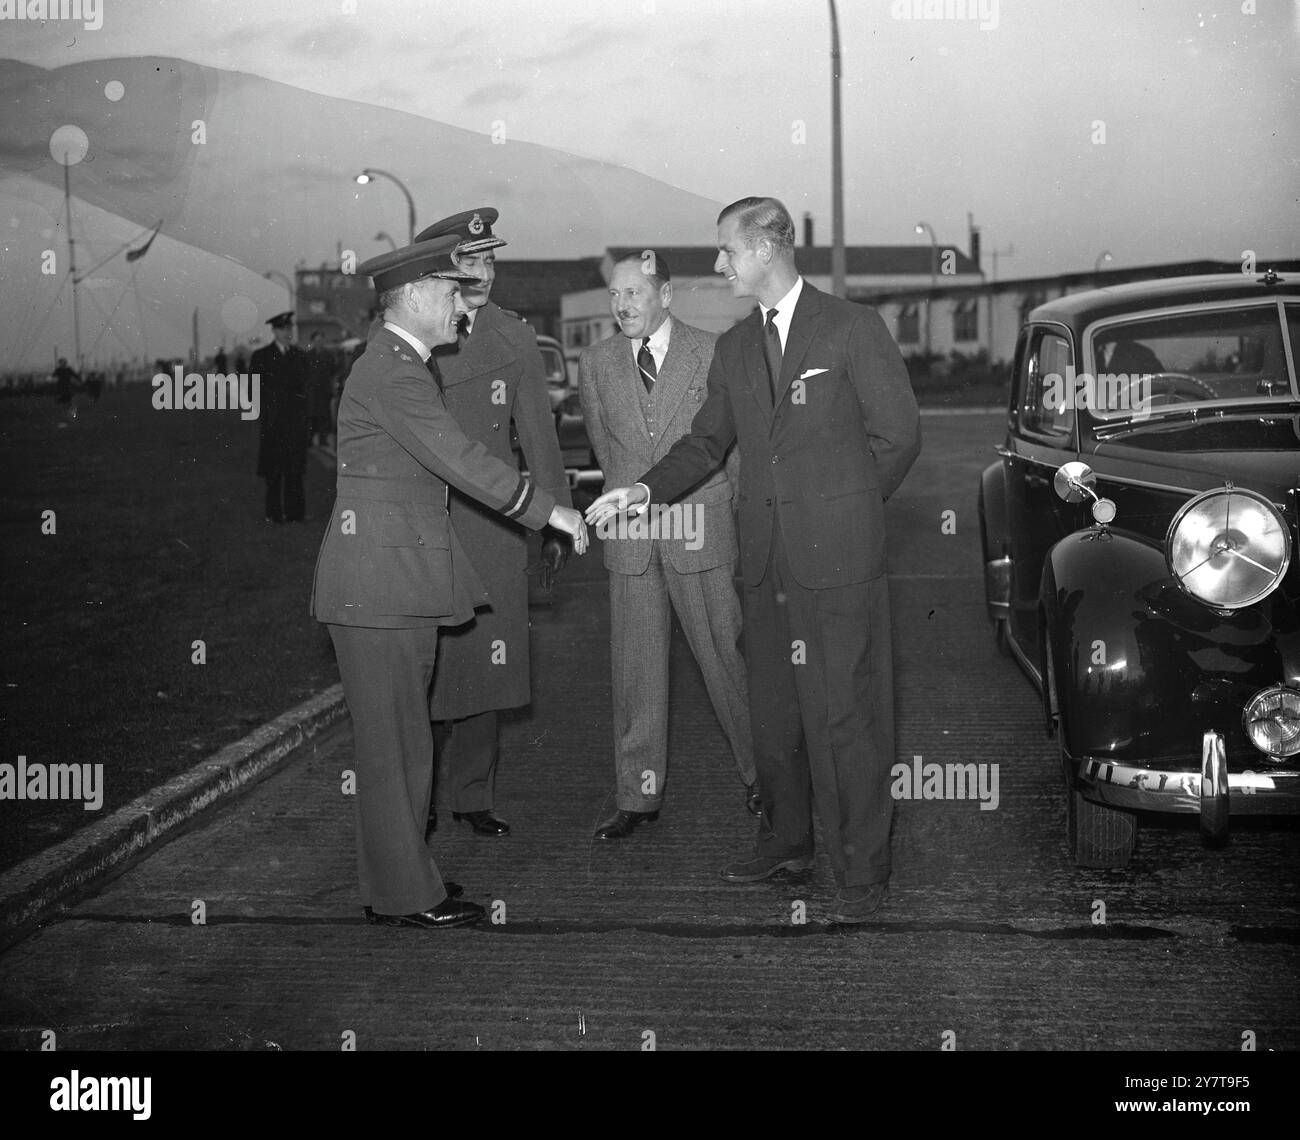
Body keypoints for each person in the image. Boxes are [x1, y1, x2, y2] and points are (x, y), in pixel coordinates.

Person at [587, 197, 920, 922]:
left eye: (727, 250)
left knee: (848, 719)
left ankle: (862, 870)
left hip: (838, 564)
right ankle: (787, 843)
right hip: (764, 567)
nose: (718, 264)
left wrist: (844, 514)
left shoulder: (853, 329)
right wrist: (640, 490)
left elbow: (898, 437)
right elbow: (708, 444)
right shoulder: (737, 347)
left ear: (767, 248)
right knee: (774, 720)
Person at [310, 233, 589, 930]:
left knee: (398, 747)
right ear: (413, 298)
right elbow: (460, 458)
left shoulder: (399, 364)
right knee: (397, 750)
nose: (463, 305)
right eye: (450, 293)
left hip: (391, 581)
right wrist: (548, 509)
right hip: (380, 586)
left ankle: (398, 885)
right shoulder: (396, 372)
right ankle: (408, 896)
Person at [579, 251, 757, 840]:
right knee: (635, 671)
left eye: (633, 293)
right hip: (632, 534)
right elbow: (607, 450)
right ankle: (638, 795)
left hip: (700, 524)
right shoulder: (597, 361)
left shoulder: (713, 351)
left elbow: (729, 451)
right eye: (614, 295)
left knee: (726, 659)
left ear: (665, 295)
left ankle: (765, 778)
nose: (622, 305)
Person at [414, 208, 572, 839]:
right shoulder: (419, 334)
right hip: (432, 518)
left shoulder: (514, 336)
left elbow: (539, 434)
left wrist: (554, 521)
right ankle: (416, 797)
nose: (480, 274)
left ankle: (472, 794)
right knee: (427, 664)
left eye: (488, 261)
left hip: (497, 522)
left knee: (487, 658)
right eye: (466, 263)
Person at [250, 312, 310, 522]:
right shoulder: (261, 357)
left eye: (290, 329)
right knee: (274, 472)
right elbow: (253, 391)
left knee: (294, 471)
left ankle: (295, 514)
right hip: (274, 424)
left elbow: (306, 390)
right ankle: (273, 514)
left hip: (295, 424)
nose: (288, 333)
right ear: (274, 331)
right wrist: (267, 414)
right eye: (283, 329)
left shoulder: (300, 356)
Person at [304, 331, 336, 447]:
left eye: (321, 340)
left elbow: (333, 372)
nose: (319, 343)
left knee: (324, 418)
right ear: (313, 342)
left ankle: (323, 441)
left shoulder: (328, 356)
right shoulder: (308, 356)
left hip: (324, 392)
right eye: (317, 341)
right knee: (311, 418)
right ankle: (309, 442)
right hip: (311, 393)